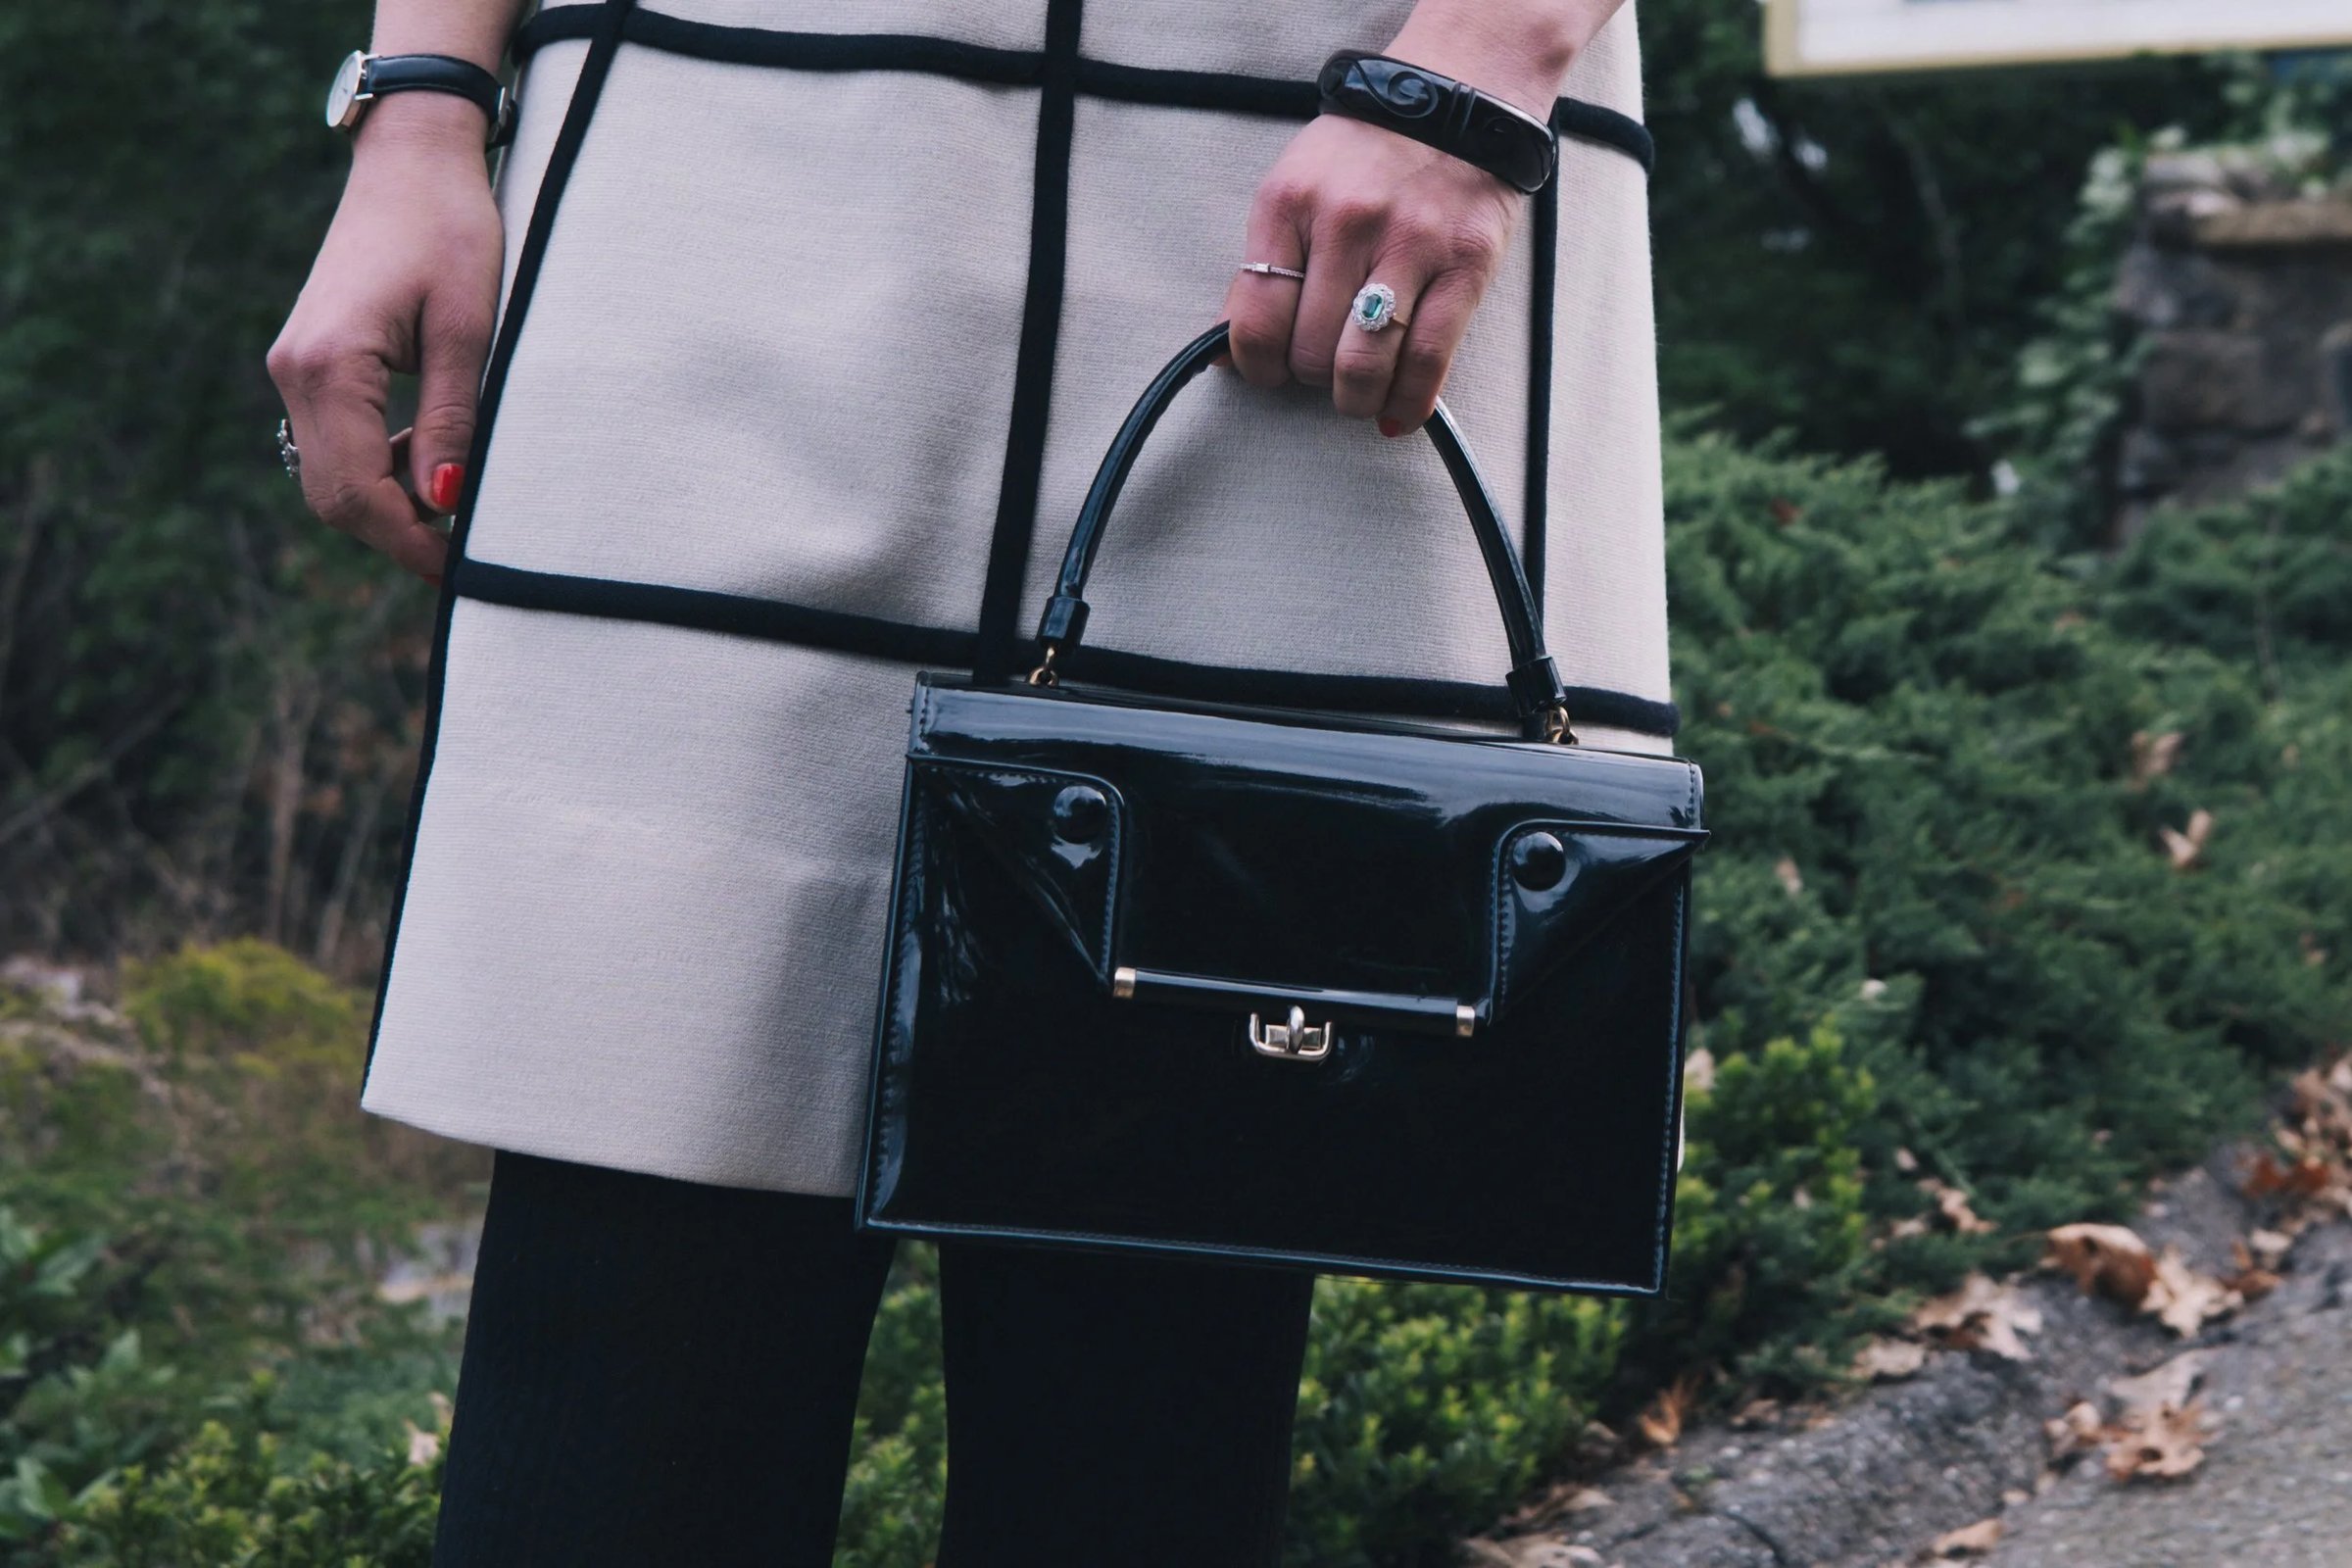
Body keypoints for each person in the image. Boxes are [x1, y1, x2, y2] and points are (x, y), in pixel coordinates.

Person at [268, 0, 1671, 1561]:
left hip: (1308, 138)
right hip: (746, 140)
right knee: (632, 1274)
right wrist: (421, 98)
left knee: (1160, 1319)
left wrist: (1477, 67)